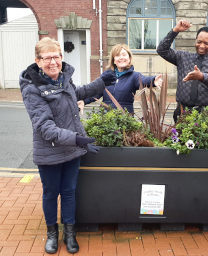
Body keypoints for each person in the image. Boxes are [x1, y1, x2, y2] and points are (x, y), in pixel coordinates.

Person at [19, 37, 115, 254]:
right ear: (38, 60)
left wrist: (101, 82)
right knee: (51, 193)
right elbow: (44, 126)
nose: (53, 62)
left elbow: (76, 94)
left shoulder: (64, 79)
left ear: (61, 57)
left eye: (56, 57)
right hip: (50, 152)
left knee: (70, 192)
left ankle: (70, 233)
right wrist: (77, 139)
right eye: (47, 58)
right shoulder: (32, 89)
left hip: (71, 150)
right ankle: (52, 233)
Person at [156, 20, 208, 123]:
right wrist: (175, 30)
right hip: (183, 112)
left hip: (207, 114)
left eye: (206, 43)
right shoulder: (183, 57)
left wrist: (201, 76)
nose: (202, 46)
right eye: (199, 42)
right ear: (195, 40)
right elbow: (162, 50)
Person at [83, 44, 162, 114]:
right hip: (105, 119)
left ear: (129, 59)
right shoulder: (106, 75)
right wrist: (83, 101)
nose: (121, 58)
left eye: (124, 55)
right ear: (113, 60)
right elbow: (95, 92)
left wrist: (153, 80)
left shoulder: (134, 76)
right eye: (117, 55)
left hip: (124, 119)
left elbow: (143, 81)